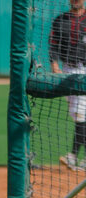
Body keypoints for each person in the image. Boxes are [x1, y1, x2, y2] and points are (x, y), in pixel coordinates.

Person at [49, 0, 86, 171]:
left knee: (80, 112)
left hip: (84, 69)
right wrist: (54, 65)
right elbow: (53, 45)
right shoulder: (60, 20)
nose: (76, 0)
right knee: (76, 113)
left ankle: (72, 156)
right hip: (67, 70)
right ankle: (77, 157)